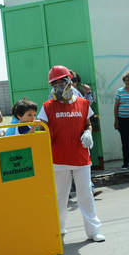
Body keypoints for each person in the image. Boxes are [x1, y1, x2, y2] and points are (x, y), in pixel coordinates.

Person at [37, 65, 105, 242]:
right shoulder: (47, 106)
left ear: (70, 81)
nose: (59, 86)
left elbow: (87, 123)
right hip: (58, 159)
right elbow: (39, 128)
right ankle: (59, 228)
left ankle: (93, 231)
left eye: (62, 81)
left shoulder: (83, 103)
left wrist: (88, 132)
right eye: (55, 83)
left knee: (86, 195)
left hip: (81, 157)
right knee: (60, 196)